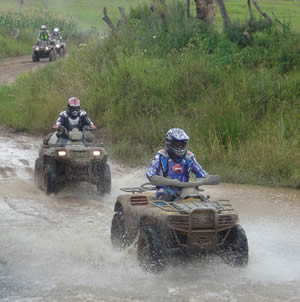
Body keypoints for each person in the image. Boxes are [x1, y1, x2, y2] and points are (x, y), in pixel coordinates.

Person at [146, 128, 208, 201]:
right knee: (164, 195)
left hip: (185, 190)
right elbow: (150, 173)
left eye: (181, 144)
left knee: (196, 197)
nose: (179, 146)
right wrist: (169, 182)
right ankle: (160, 209)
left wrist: (208, 178)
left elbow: (201, 172)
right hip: (167, 190)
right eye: (177, 143)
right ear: (170, 142)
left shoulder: (189, 157)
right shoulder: (162, 156)